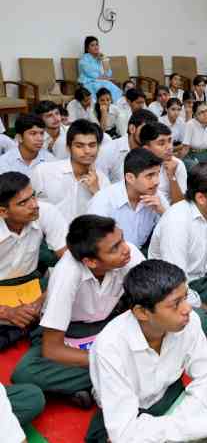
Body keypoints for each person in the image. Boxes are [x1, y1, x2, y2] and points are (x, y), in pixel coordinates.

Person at [86, 259, 207, 443]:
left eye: (185, 297)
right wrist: (201, 427)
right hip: (132, 416)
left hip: (175, 398)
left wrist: (189, 422)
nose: (187, 309)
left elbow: (206, 378)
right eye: (175, 304)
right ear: (142, 312)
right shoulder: (110, 346)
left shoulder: (189, 321)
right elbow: (124, 433)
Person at [11, 214, 144, 408]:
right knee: (26, 373)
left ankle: (89, 384)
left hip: (109, 322)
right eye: (114, 248)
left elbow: (154, 301)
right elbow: (52, 348)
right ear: (90, 262)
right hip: (71, 329)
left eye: (121, 239)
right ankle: (119, 376)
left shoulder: (128, 254)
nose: (125, 249)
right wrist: (112, 360)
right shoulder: (67, 273)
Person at [148, 162, 207, 342]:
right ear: (201, 198)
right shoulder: (176, 220)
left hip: (203, 279)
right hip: (167, 290)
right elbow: (176, 283)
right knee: (194, 323)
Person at [0, 172, 67, 350]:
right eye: (23, 203)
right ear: (3, 212)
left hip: (32, 285)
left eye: (33, 196)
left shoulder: (46, 211)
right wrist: (6, 312)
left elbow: (70, 262)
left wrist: (42, 301)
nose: (34, 205)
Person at [31, 119, 110, 223]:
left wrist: (97, 192)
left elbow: (107, 217)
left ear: (98, 148)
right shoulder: (44, 171)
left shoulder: (102, 180)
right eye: (79, 146)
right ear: (68, 148)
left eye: (92, 145)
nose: (87, 151)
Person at [87, 148, 166, 251]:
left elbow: (173, 230)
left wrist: (162, 211)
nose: (156, 181)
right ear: (130, 178)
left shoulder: (156, 195)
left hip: (137, 256)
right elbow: (93, 244)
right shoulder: (103, 201)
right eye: (149, 176)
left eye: (157, 174)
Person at [97, 109, 157, 183]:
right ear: (132, 129)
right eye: (145, 130)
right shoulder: (108, 150)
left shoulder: (153, 150)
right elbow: (100, 184)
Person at [139, 121, 187, 205]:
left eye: (170, 141)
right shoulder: (135, 165)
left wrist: (172, 176)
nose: (169, 147)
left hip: (168, 213)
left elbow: (180, 205)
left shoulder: (177, 164)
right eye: (161, 143)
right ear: (146, 149)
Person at [78, 36, 123, 103]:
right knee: (103, 86)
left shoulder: (100, 58)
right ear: (87, 48)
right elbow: (93, 75)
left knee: (111, 87)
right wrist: (104, 77)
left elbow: (108, 74)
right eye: (92, 45)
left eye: (97, 44)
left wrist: (104, 60)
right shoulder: (84, 60)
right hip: (89, 83)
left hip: (103, 82)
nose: (96, 47)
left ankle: (112, 107)